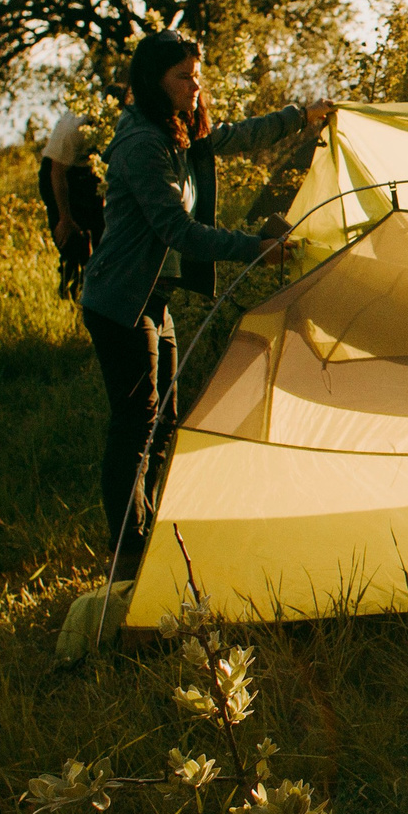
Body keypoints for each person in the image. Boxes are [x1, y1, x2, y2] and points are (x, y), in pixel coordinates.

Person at [79, 32, 330, 583]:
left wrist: (302, 117)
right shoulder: (143, 144)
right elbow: (179, 231)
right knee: (135, 423)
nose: (194, 86)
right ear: (153, 82)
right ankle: (125, 556)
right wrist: (256, 250)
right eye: (181, 77)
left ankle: (143, 540)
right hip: (119, 302)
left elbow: (235, 137)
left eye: (197, 75)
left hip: (153, 300)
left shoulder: (178, 131)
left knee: (163, 420)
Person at [38, 107, 106, 299]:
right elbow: (57, 173)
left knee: (102, 236)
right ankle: (71, 294)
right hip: (58, 172)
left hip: (91, 173)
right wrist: (65, 218)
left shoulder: (121, 125)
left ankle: (96, 295)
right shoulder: (75, 129)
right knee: (72, 242)